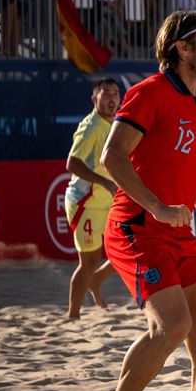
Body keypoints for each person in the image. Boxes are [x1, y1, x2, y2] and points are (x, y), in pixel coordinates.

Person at [91, 11, 196, 391]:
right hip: (135, 225)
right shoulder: (149, 93)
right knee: (174, 325)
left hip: (178, 232)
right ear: (182, 49)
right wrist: (156, 206)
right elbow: (112, 156)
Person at [64, 76, 122, 320]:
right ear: (94, 99)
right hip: (85, 202)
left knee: (125, 249)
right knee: (88, 262)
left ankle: (96, 280)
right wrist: (105, 182)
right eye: (105, 93)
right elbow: (72, 163)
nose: (112, 98)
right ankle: (73, 316)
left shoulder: (114, 124)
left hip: (107, 200)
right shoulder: (91, 127)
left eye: (115, 93)